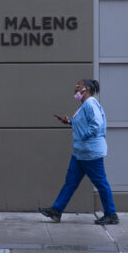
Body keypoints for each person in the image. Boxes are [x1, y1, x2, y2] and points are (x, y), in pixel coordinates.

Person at [39, 79, 119, 225]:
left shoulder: (90, 104)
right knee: (70, 182)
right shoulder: (84, 106)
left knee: (101, 183)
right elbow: (83, 123)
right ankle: (56, 210)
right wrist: (69, 122)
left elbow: (97, 124)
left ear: (86, 89)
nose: (75, 90)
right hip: (80, 153)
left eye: (78, 87)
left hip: (90, 153)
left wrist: (84, 136)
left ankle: (111, 214)